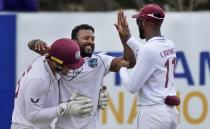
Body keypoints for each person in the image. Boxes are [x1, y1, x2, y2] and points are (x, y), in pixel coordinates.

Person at [27, 24, 135, 129]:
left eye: (93, 39)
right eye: (86, 38)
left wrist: (125, 39)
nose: (90, 41)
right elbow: (32, 45)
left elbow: (128, 62)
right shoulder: (61, 58)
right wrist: (36, 42)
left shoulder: (100, 60)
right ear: (74, 42)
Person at [115, 4, 180, 129]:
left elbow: (132, 87)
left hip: (153, 115)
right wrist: (129, 39)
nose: (137, 24)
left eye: (138, 21)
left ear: (144, 22)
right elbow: (150, 54)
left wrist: (121, 68)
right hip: (170, 113)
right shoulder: (169, 44)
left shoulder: (150, 50)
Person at [11, 38, 94, 129]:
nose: (72, 69)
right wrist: (65, 108)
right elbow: (32, 115)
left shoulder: (50, 59)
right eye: (69, 66)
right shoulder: (39, 78)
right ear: (56, 63)